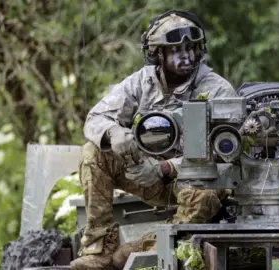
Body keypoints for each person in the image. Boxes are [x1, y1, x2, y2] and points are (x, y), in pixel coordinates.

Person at [70, 10, 237, 270]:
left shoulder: (217, 90)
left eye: (191, 48)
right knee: (94, 152)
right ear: (158, 54)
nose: (186, 56)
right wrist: (114, 133)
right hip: (144, 176)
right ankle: (99, 248)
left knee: (204, 191)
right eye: (175, 50)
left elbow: (226, 152)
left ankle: (152, 248)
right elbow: (95, 118)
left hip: (194, 183)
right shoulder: (141, 82)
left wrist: (165, 168)